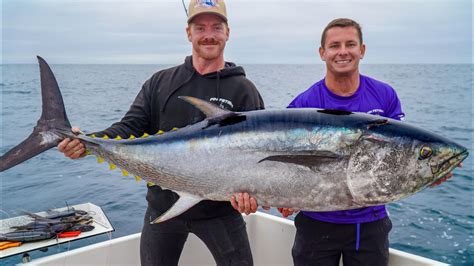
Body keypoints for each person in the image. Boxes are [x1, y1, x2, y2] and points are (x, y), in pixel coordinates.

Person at [231, 18, 458, 266]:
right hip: (315, 224)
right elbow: (286, 168)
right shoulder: (304, 103)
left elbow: (401, 156)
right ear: (322, 53)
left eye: (350, 44)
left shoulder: (384, 95)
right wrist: (281, 199)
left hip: (370, 225)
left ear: (362, 50)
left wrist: (426, 169)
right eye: (334, 45)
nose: (343, 51)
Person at [58, 0, 264, 265]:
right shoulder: (160, 82)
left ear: (228, 32)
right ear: (188, 33)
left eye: (216, 27)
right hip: (163, 207)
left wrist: (252, 195)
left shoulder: (244, 90)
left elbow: (258, 156)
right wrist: (86, 141)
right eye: (200, 27)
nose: (209, 34)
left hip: (220, 211)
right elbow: (128, 128)